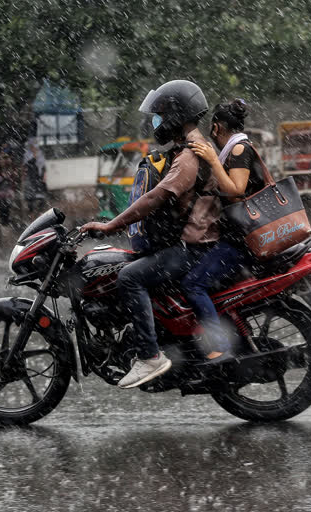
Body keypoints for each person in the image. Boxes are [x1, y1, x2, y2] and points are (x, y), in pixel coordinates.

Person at [80, 80, 219, 389]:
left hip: (193, 248)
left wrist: (111, 225)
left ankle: (150, 356)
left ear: (175, 115)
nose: (155, 121)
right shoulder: (190, 148)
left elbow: (156, 197)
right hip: (192, 243)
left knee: (129, 277)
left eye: (159, 114)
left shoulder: (189, 156)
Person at [182, 99, 265, 363]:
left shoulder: (239, 149)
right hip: (239, 236)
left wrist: (211, 160)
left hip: (240, 241)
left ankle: (219, 347)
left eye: (212, 131)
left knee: (193, 284)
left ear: (217, 128)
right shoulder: (237, 147)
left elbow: (237, 189)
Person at [0, 146, 16, 226]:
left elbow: (15, 174)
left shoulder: (11, 162)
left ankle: (6, 220)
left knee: (7, 206)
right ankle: (3, 221)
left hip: (8, 188)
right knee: (1, 206)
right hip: (0, 188)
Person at [22, 138, 47, 215]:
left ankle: (40, 213)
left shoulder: (41, 155)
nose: (34, 148)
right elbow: (25, 167)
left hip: (39, 178)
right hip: (30, 178)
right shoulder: (27, 155)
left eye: (35, 146)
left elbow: (44, 167)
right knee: (30, 199)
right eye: (33, 146)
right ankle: (31, 215)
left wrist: (44, 177)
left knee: (41, 198)